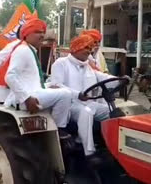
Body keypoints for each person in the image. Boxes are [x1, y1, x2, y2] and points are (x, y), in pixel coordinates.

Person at [0, 18, 73, 136]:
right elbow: (10, 76)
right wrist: (26, 98)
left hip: (31, 92)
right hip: (25, 98)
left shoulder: (30, 50)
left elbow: (29, 81)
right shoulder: (23, 50)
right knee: (66, 94)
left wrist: (48, 86)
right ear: (26, 34)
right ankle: (57, 131)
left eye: (42, 32)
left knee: (58, 87)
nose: (42, 35)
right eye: (37, 32)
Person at [50, 35, 120, 165]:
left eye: (90, 48)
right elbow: (56, 85)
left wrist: (119, 80)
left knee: (112, 112)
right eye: (85, 47)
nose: (89, 51)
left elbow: (102, 77)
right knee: (86, 111)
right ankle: (89, 152)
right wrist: (78, 94)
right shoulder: (61, 64)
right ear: (76, 48)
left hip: (89, 104)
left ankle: (112, 147)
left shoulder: (88, 67)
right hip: (70, 106)